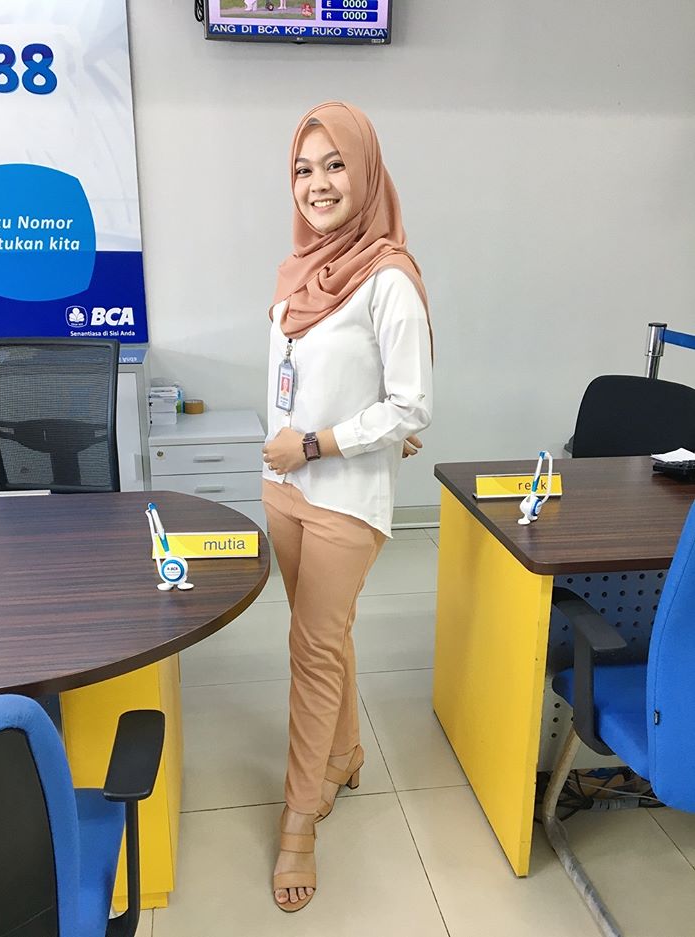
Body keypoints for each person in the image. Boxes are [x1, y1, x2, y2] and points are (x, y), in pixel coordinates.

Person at [261, 101, 433, 912]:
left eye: (334, 165)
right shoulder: (299, 269)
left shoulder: (388, 277)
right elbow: (321, 383)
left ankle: (300, 819)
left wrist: (320, 443)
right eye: (304, 168)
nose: (318, 183)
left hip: (341, 498)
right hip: (284, 486)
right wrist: (305, 443)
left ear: (365, 172)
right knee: (324, 636)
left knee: (310, 650)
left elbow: (413, 403)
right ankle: (345, 754)